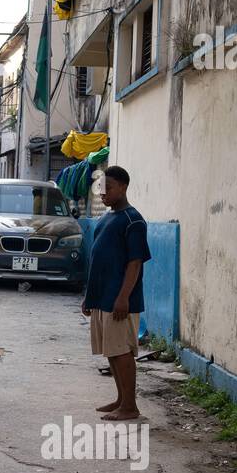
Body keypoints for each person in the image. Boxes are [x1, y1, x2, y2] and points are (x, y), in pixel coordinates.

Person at [81, 165, 151, 421]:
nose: (103, 193)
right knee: (111, 350)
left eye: (108, 188)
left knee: (122, 351)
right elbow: (98, 260)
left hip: (120, 300)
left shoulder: (133, 220)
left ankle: (130, 406)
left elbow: (135, 263)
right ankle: (121, 399)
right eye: (100, 189)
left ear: (123, 187)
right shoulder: (107, 218)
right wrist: (90, 296)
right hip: (102, 298)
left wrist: (123, 297)